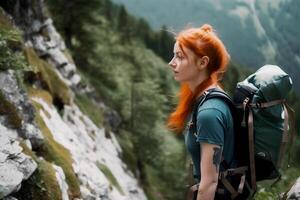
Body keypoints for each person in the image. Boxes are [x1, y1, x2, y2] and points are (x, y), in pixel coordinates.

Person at [167, 24, 235, 200]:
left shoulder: (209, 113)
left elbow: (209, 184)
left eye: (179, 57)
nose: (171, 62)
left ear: (202, 62)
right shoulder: (205, 95)